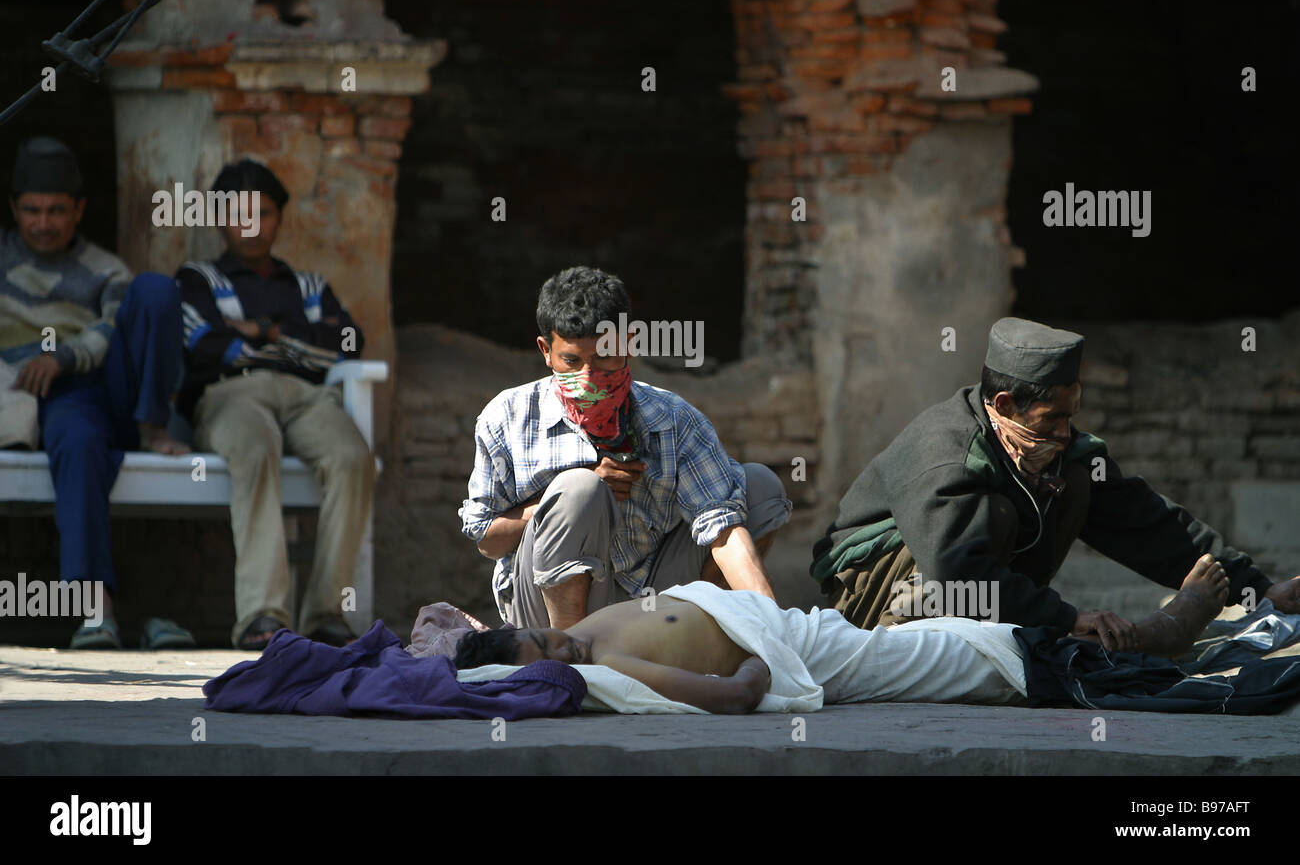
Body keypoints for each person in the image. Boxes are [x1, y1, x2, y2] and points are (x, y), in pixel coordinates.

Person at [809, 317, 1300, 650]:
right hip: (877, 594)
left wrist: (1257, 588)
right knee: (996, 514)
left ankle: (1020, 629)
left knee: (1077, 480)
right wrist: (1068, 618)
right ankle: (946, 637)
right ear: (1003, 405)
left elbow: (1145, 522)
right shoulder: (944, 453)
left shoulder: (1056, 449)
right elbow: (956, 572)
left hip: (965, 584)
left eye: (1072, 416)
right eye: (1051, 420)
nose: (1065, 433)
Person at [454, 551, 1234, 714]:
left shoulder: (583, 640)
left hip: (788, 623)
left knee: (946, 637)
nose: (567, 645)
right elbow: (728, 696)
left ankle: (1121, 644)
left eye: (549, 637)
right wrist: (766, 660)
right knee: (952, 653)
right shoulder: (602, 671)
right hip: (790, 645)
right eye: (552, 656)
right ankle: (1116, 656)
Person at [460, 266, 792, 630]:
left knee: (757, 486)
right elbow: (487, 541)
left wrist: (774, 625)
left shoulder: (673, 419)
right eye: (571, 361)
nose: (589, 378)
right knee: (579, 490)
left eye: (604, 357)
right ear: (546, 351)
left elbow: (722, 529)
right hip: (543, 610)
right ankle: (573, 663)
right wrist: (565, 499)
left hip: (649, 600)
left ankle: (696, 634)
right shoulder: (506, 418)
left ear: (629, 345)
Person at [1, 136, 194, 649]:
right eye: (32, 211)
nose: (44, 223)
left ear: (79, 209)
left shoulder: (106, 268)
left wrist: (63, 356)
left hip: (107, 382)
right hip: (55, 401)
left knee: (155, 290)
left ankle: (153, 426)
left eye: (57, 211)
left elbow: (111, 328)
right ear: (14, 208)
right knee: (77, 439)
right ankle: (96, 612)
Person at [175, 159, 374, 651]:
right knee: (256, 449)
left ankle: (328, 613)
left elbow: (349, 342)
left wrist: (265, 332)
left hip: (308, 397)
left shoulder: (308, 285)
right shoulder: (197, 279)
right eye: (238, 214)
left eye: (262, 214)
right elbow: (202, 345)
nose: (251, 225)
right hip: (231, 394)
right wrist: (299, 343)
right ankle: (262, 617)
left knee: (354, 460)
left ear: (278, 219)